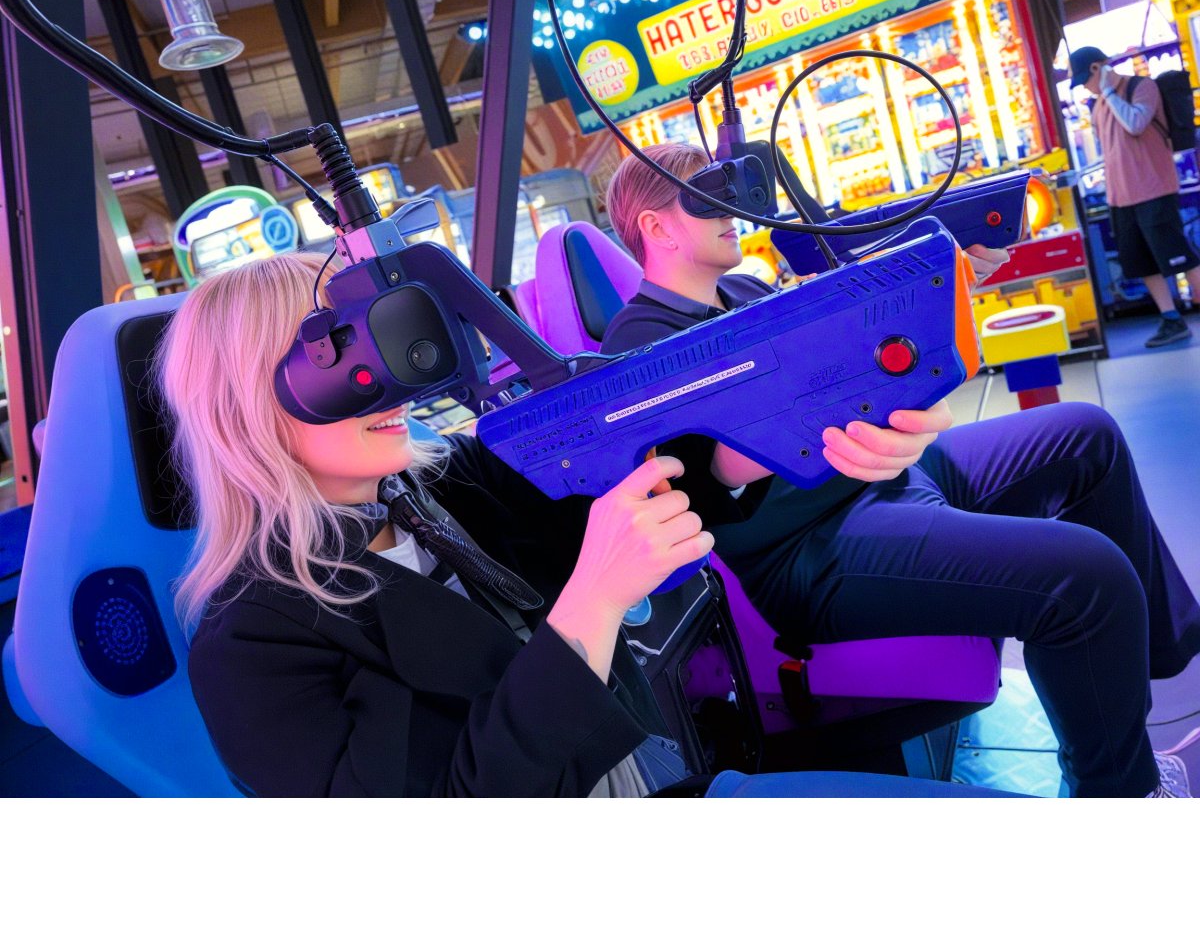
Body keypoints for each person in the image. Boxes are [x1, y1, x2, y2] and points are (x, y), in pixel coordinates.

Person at [158, 251, 1011, 799]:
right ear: (248, 403)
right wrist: (591, 605)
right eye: (341, 359)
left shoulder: (441, 485)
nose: (393, 386)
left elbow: (636, 483)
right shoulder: (251, 646)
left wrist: (799, 435)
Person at [602, 142, 1200, 798]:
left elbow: (851, 348)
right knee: (1087, 576)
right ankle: (1121, 793)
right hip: (809, 550)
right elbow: (693, 484)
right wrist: (807, 419)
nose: (731, 210)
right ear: (656, 227)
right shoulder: (636, 345)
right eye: (706, 196)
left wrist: (947, 282)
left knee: (1088, 436)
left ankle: (1132, 688)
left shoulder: (742, 292)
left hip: (885, 479)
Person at [1070, 45, 1200, 348]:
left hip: (1154, 190)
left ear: (1097, 68)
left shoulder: (1141, 87)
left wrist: (1109, 92)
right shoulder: (1098, 105)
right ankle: (1171, 318)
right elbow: (1109, 149)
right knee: (1142, 263)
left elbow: (1135, 124)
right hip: (1120, 197)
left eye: (1085, 79)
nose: (1085, 87)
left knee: (1179, 255)